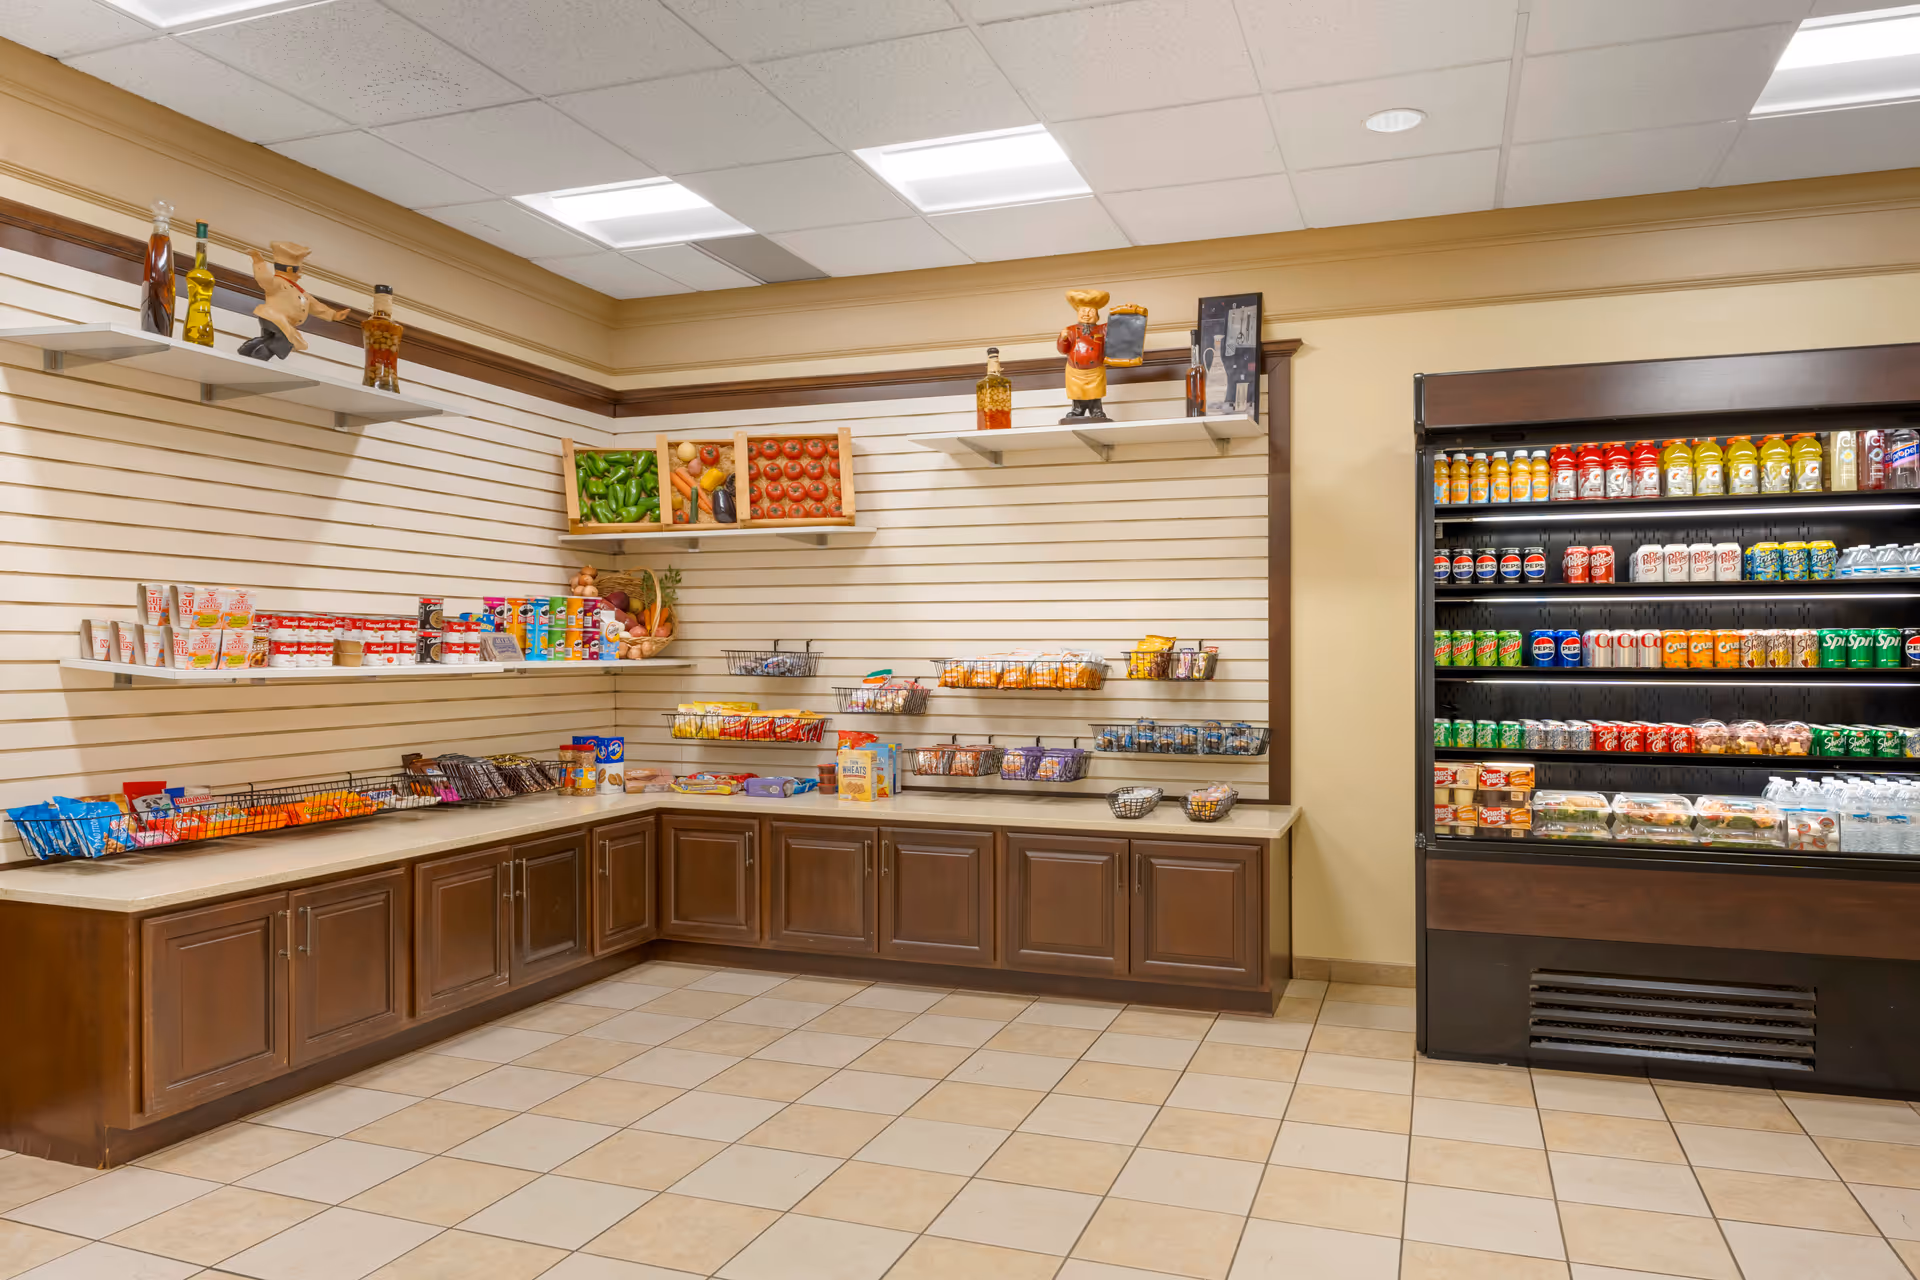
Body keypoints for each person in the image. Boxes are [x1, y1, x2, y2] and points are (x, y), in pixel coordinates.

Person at [1057, 287, 1112, 423]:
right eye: (1083, 311)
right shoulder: (1070, 330)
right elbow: (1063, 350)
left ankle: (1096, 411)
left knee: (1095, 393)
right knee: (1077, 393)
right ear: (1077, 313)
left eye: (1090, 311)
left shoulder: (1103, 329)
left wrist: (1126, 313)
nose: (1086, 314)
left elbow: (1119, 326)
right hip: (1075, 370)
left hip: (1095, 370)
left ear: (1097, 315)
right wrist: (1063, 338)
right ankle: (1077, 411)